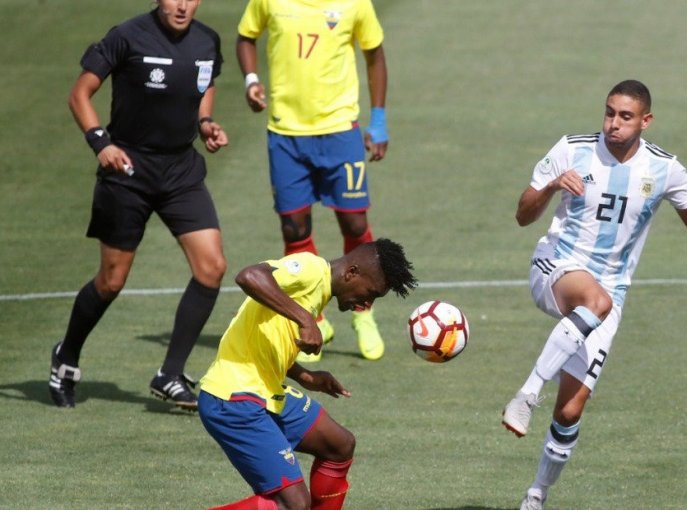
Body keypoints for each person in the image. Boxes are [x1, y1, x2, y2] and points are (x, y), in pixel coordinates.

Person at [501, 80, 687, 510]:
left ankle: (535, 496)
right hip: (555, 267)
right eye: (609, 113)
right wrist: (550, 188)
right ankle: (526, 394)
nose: (613, 123)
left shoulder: (664, 168)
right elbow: (522, 215)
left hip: (611, 290)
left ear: (646, 120)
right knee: (594, 301)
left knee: (569, 412)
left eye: (625, 116)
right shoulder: (572, 149)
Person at [48, 0, 229, 410]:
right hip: (127, 169)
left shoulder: (207, 40)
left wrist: (205, 123)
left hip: (181, 171)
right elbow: (80, 94)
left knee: (212, 267)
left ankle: (169, 374)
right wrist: (101, 143)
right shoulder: (127, 36)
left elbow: (205, 83)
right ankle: (66, 355)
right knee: (111, 281)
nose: (183, 5)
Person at [198, 238, 416, 510]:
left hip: (264, 392)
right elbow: (249, 276)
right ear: (351, 273)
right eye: (370, 293)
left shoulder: (320, 292)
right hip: (233, 398)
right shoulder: (312, 270)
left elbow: (266, 337)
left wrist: (304, 376)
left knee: (339, 445)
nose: (365, 304)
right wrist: (305, 319)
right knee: (293, 504)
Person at [235, 0, 390, 362]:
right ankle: (312, 317)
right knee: (294, 227)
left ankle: (363, 314)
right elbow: (246, 36)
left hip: (340, 131)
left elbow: (374, 54)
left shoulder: (355, 4)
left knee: (354, 220)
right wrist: (251, 79)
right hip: (285, 133)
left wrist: (378, 120)